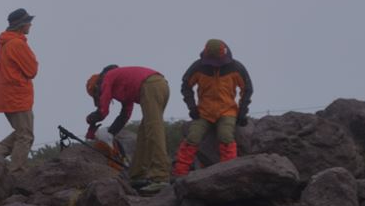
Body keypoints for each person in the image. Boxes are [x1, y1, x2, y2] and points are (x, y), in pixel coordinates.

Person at [86, 65, 171, 192]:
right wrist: (111, 132)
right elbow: (125, 114)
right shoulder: (121, 84)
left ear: (97, 87)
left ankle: (160, 177)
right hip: (157, 85)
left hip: (151, 85)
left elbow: (103, 110)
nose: (98, 97)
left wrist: (91, 120)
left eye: (96, 95)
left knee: (154, 130)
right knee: (144, 135)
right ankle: (137, 176)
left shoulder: (107, 78)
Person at [175, 39, 253, 176]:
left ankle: (228, 173)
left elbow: (247, 89)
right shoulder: (198, 67)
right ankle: (179, 173)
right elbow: (186, 86)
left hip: (227, 111)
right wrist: (192, 108)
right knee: (192, 137)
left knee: (226, 136)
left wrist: (242, 112)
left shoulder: (236, 67)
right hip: (203, 112)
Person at [0, 8, 39, 170]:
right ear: (21, 25)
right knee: (25, 135)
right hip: (17, 96)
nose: (30, 25)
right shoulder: (17, 44)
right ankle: (17, 172)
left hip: (9, 96)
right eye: (28, 22)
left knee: (22, 133)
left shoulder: (7, 43)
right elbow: (32, 70)